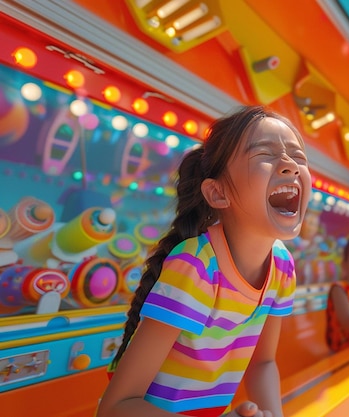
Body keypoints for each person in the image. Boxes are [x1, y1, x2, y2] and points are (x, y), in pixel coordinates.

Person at [96, 105, 312, 417]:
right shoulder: (196, 267)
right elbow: (116, 407)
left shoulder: (282, 266)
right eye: (265, 153)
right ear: (218, 193)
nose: (290, 165)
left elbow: (263, 363)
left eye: (298, 156)